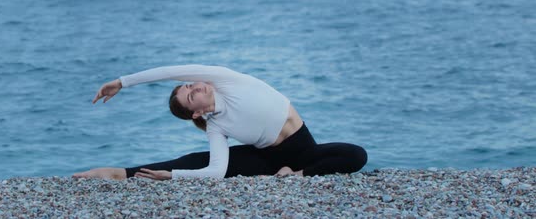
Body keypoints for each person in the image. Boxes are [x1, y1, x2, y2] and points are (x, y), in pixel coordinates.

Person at [72, 65, 367, 180]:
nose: (192, 88)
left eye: (188, 86)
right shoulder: (216, 126)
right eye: (188, 96)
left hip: (303, 152)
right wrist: (172, 177)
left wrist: (122, 82)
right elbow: (215, 171)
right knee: (193, 160)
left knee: (357, 155)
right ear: (197, 114)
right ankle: (120, 173)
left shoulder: (225, 80)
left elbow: (170, 71)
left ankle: (299, 174)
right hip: (266, 160)